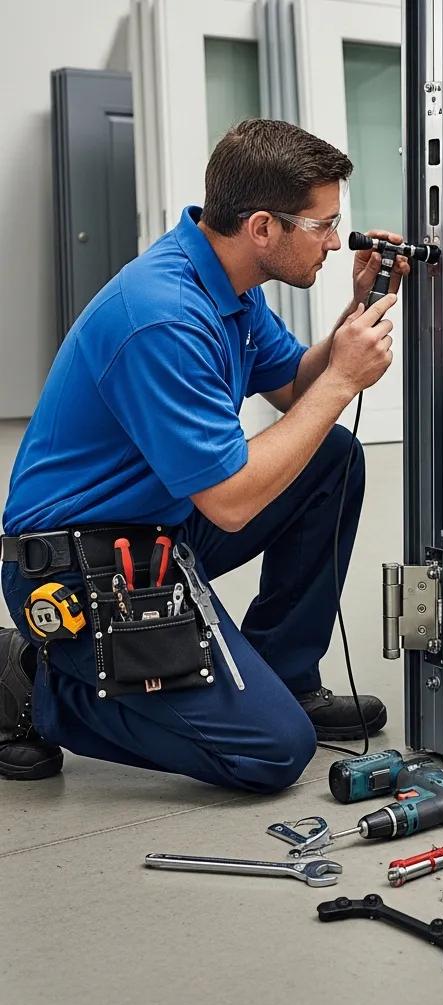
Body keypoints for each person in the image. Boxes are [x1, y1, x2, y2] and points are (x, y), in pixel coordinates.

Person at [0, 118, 408, 791]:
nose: (337, 241)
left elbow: (292, 390)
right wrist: (343, 380)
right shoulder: (162, 315)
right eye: (323, 225)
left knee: (329, 457)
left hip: (161, 525)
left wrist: (358, 309)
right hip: (79, 564)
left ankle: (284, 674)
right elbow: (232, 502)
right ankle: (29, 682)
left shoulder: (228, 286)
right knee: (271, 753)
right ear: (262, 229)